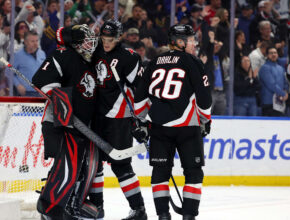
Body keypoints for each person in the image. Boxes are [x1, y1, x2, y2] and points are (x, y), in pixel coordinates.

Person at [134, 24, 212, 220]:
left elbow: (140, 97)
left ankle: (163, 216)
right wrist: (206, 119)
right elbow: (204, 97)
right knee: (193, 172)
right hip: (187, 127)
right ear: (180, 42)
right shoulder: (192, 61)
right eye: (191, 40)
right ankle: (189, 216)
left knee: (160, 173)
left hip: (159, 128)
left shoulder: (154, 62)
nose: (194, 43)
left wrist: (141, 122)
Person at [31, 24, 99, 219]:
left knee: (74, 170)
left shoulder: (86, 60)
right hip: (62, 125)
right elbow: (41, 80)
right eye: (85, 40)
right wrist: (64, 107)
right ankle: (50, 209)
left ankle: (60, 206)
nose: (90, 43)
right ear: (74, 42)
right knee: (66, 168)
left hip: (80, 127)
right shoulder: (62, 54)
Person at [89, 19, 147, 220]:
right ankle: (97, 208)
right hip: (96, 117)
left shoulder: (129, 57)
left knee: (120, 165)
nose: (106, 42)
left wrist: (141, 119)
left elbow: (141, 90)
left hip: (119, 119)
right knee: (93, 163)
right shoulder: (94, 52)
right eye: (103, 38)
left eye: (111, 39)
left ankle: (138, 209)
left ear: (119, 37)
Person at [13, 30, 45, 96]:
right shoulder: (18, 55)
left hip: (41, 92)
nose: (36, 43)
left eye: (37, 41)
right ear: (25, 42)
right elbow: (9, 72)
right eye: (32, 41)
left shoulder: (42, 54)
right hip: (26, 93)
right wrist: (18, 85)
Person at [258, 46, 289, 116]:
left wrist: (286, 91)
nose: (273, 55)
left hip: (280, 102)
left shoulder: (280, 68)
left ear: (277, 54)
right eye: (271, 53)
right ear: (267, 55)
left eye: (275, 53)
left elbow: (285, 82)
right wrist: (283, 94)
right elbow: (271, 84)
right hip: (268, 103)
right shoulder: (264, 68)